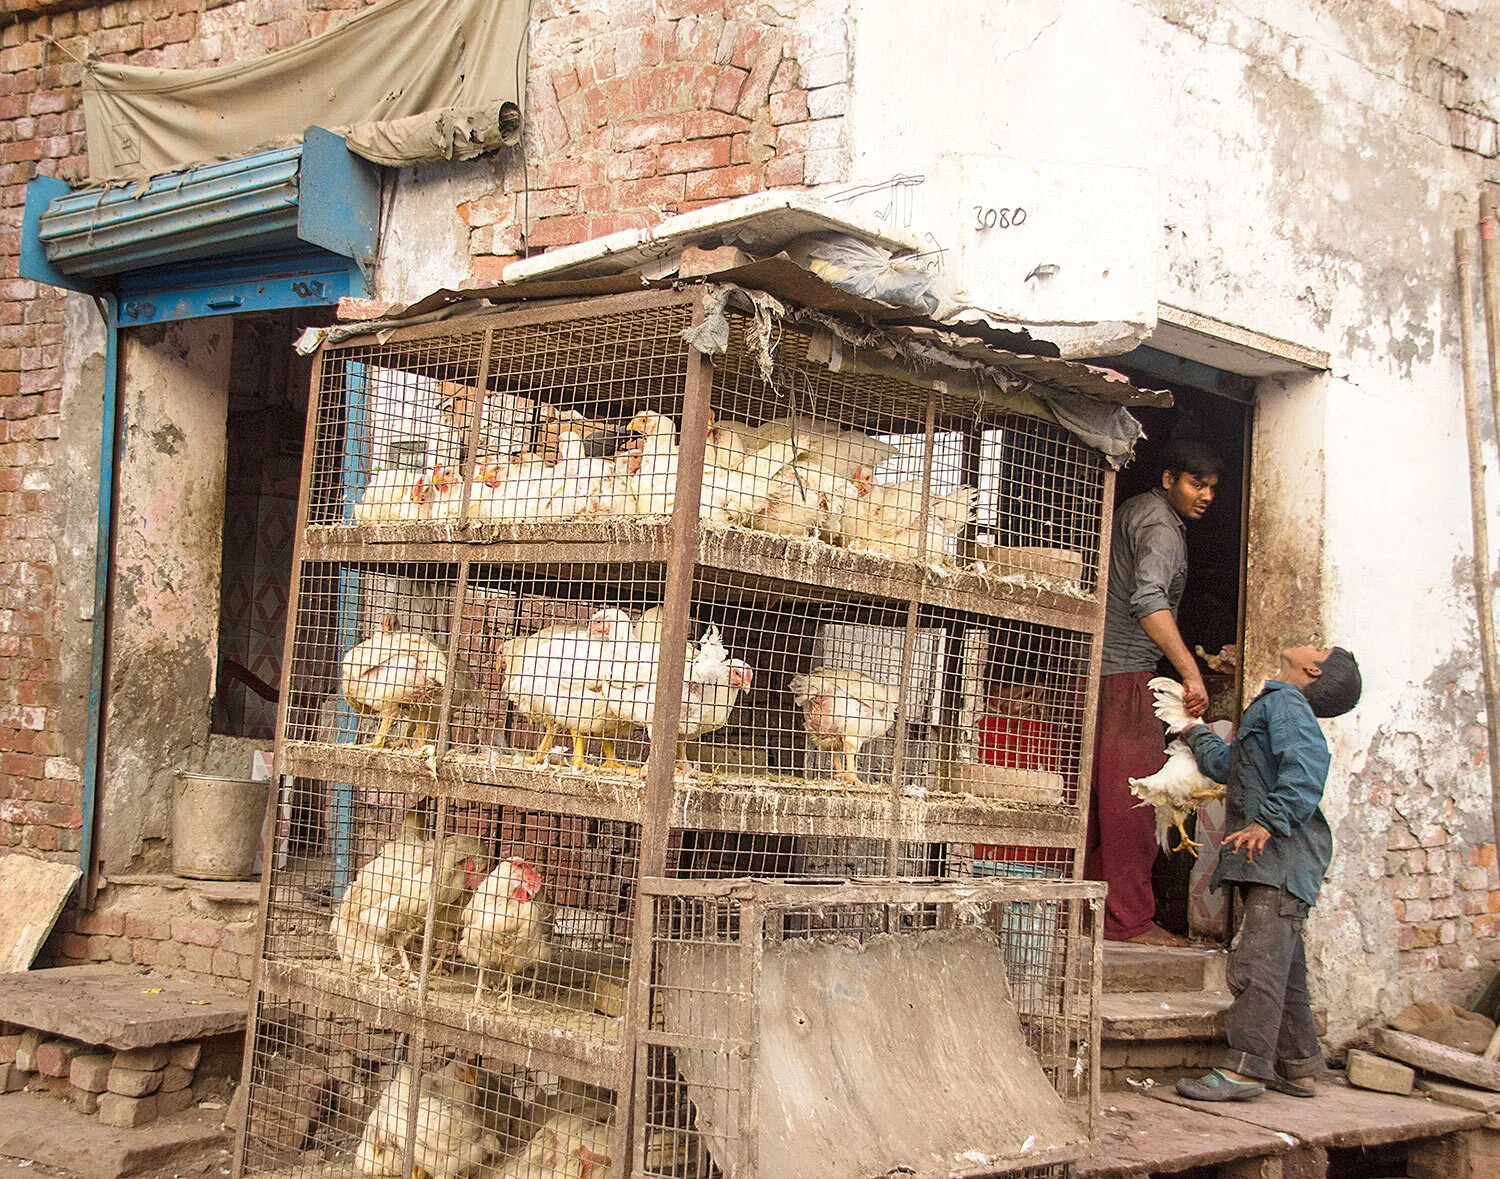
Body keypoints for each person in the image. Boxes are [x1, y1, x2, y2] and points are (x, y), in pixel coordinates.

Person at [1173, 644, 1363, 1101]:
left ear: (1312, 669)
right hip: (1278, 862)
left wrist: (1267, 822)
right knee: (1285, 967)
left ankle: (1245, 1070)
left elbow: (1307, 768)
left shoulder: (1285, 704)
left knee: (1257, 964)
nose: (1308, 643)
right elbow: (1227, 767)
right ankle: (1298, 1067)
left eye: (1317, 647)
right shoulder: (1275, 704)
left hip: (1283, 860)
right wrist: (1196, 732)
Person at [1085, 440, 1222, 945]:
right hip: (1125, 675)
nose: (1205, 495)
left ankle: (1091, 915)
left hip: (1098, 672)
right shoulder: (1161, 525)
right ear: (1169, 479)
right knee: (1135, 804)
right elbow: (1148, 601)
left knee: (1097, 800)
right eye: (1195, 483)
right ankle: (1128, 922)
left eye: (1211, 487)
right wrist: (1191, 673)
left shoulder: (1137, 510)